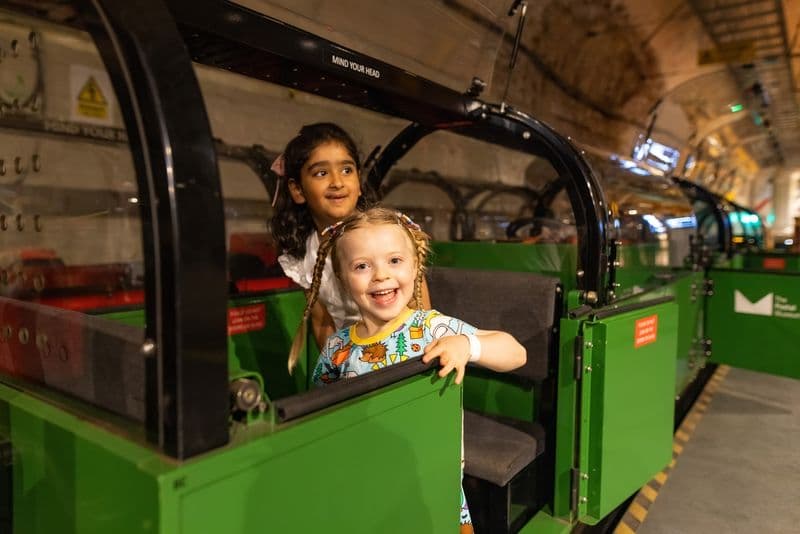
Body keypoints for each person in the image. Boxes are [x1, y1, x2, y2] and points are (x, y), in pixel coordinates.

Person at [287, 206, 527, 532]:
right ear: (343, 279)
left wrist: (467, 345)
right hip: (366, 489)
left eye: (394, 261)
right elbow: (322, 412)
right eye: (362, 266)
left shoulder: (433, 328)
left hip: (434, 487)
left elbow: (516, 352)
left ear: (415, 267)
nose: (381, 275)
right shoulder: (337, 349)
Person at [271, 123, 430, 354]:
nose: (337, 182)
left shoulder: (389, 233)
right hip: (352, 363)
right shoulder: (305, 256)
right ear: (297, 190)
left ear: (358, 182)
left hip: (404, 353)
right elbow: (322, 322)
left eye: (346, 170)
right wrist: (338, 372)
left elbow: (419, 307)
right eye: (321, 173)